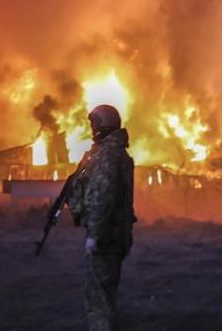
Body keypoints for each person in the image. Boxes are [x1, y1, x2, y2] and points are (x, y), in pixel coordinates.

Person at [67, 104, 136, 331]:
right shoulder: (119, 154)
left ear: (101, 125)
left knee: (98, 303)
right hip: (116, 237)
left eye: (93, 124)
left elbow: (102, 198)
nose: (91, 128)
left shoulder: (106, 157)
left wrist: (94, 236)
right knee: (106, 295)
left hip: (105, 239)